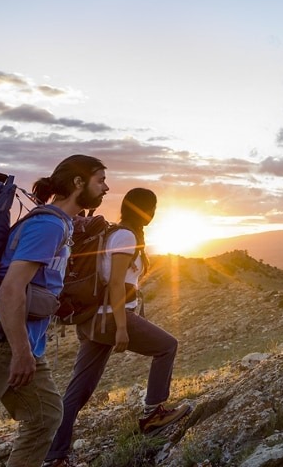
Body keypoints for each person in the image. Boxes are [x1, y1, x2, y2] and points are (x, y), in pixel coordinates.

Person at [44, 188, 189, 467]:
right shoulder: (125, 236)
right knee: (167, 346)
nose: (153, 213)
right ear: (141, 210)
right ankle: (153, 412)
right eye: (151, 207)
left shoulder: (119, 233)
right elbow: (115, 285)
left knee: (78, 390)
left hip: (94, 321)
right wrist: (122, 328)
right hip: (110, 318)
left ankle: (54, 455)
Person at [0, 155, 109, 467]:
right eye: (100, 180)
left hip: (22, 340)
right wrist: (19, 352)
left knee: (45, 415)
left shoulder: (58, 224)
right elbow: (10, 290)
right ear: (78, 183)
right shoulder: (48, 225)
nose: (106, 188)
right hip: (2, 340)